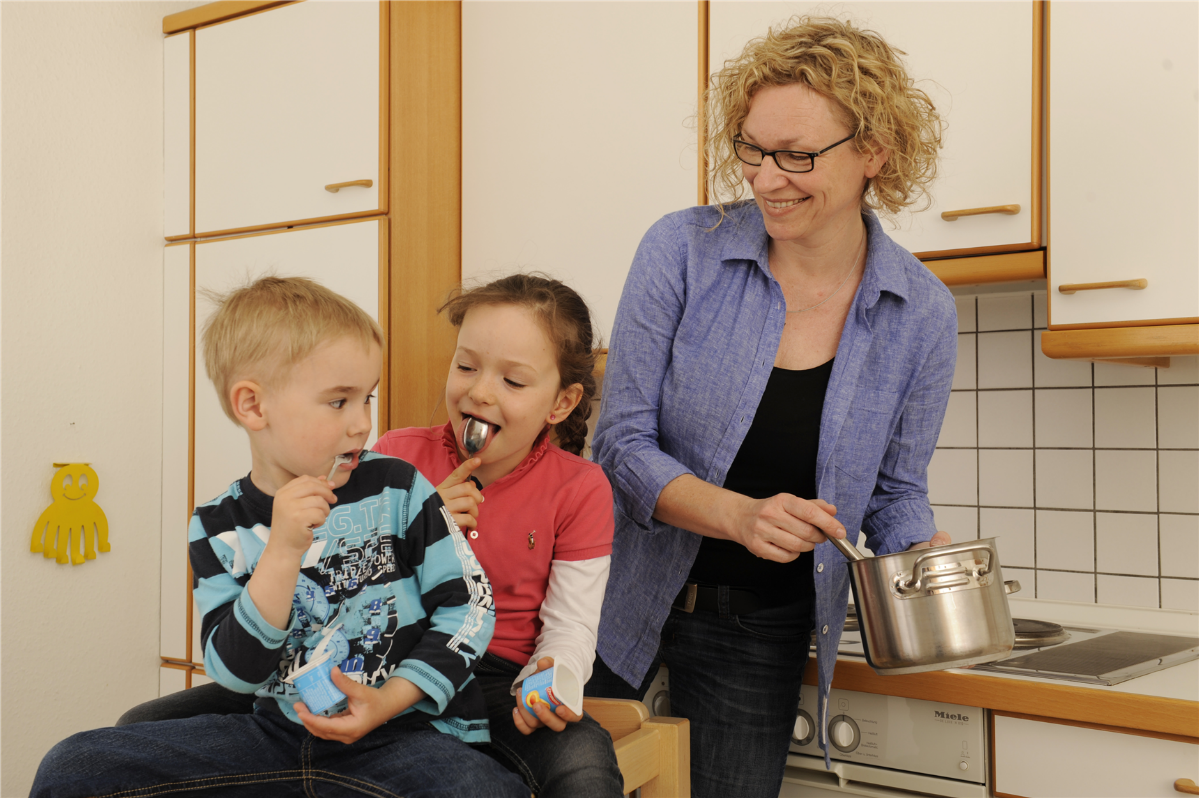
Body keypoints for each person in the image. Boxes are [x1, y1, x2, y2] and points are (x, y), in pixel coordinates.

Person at [584, 16, 954, 798]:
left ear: (873, 154)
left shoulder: (920, 312)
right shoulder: (681, 250)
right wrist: (739, 517)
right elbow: (618, 444)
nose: (763, 178)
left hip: (759, 631)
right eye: (751, 148)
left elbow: (893, 491)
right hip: (612, 596)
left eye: (796, 155)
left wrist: (918, 556)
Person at [110, 274, 623, 798]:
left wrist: (547, 676)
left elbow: (569, 627)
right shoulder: (396, 457)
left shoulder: (580, 488)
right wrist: (424, 516)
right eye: (466, 366)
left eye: (513, 382)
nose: (480, 390)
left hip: (491, 675)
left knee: (583, 760)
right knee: (140, 726)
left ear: (560, 403)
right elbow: (341, 565)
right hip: (336, 658)